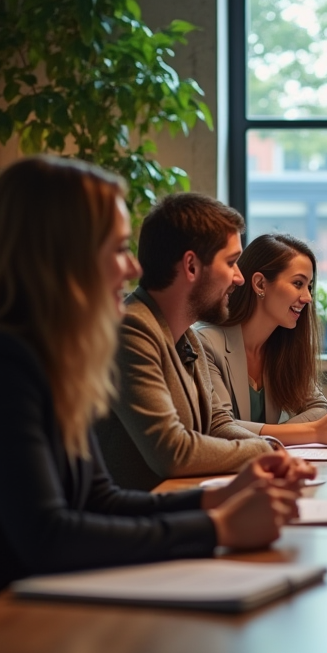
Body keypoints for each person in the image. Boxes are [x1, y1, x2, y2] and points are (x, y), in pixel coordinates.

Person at [0, 157, 313, 653]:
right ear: (57, 256)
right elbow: (48, 537)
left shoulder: (48, 357)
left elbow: (98, 498)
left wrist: (219, 500)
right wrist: (217, 529)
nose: (132, 267)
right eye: (114, 248)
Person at [96, 193, 276, 490]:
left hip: (176, 508)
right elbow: (172, 451)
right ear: (191, 266)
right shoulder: (131, 330)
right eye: (231, 262)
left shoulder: (188, 334)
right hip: (135, 523)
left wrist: (272, 448)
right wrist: (262, 451)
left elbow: (217, 424)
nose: (239, 278)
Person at [197, 233, 327, 445]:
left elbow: (319, 409)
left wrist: (278, 435)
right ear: (260, 284)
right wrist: (313, 433)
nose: (307, 297)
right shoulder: (205, 343)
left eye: (309, 286)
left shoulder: (283, 345)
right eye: (298, 283)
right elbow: (220, 428)